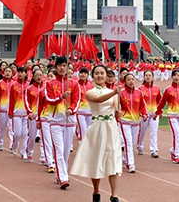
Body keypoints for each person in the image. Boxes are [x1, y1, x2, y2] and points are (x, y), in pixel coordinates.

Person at [70, 65, 122, 202]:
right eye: (97, 73)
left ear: (106, 75)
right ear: (93, 76)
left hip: (111, 127)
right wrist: (114, 92)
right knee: (97, 160)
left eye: (102, 73)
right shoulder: (89, 92)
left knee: (114, 159)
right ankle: (96, 192)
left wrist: (118, 111)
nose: (100, 75)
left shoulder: (113, 92)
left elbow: (116, 106)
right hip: (97, 128)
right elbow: (99, 100)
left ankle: (114, 195)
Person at [44, 56, 80, 189]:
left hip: (69, 121)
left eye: (64, 65)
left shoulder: (74, 83)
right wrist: (61, 97)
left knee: (65, 152)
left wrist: (71, 110)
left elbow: (77, 100)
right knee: (59, 150)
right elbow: (49, 99)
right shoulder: (49, 83)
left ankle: (60, 173)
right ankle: (63, 177)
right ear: (56, 67)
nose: (62, 68)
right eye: (59, 65)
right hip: (55, 121)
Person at [118, 73, 148, 173]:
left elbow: (142, 106)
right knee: (128, 142)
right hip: (125, 121)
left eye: (132, 79)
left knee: (132, 143)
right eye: (128, 79)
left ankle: (125, 159)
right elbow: (117, 107)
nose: (131, 81)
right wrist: (117, 115)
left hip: (136, 121)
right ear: (125, 82)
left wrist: (144, 114)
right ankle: (130, 164)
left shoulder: (139, 93)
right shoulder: (121, 93)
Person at [154, 69, 179, 163]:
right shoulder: (168, 90)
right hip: (172, 116)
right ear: (172, 77)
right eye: (175, 75)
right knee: (177, 134)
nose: (177, 77)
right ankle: (177, 155)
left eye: (178, 75)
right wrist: (157, 112)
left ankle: (173, 150)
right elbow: (162, 103)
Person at [137, 70, 162, 158]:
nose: (148, 77)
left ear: (152, 77)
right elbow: (138, 102)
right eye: (146, 75)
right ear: (144, 77)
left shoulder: (157, 89)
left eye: (149, 75)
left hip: (154, 114)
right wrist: (141, 112)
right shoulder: (140, 89)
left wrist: (160, 112)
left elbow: (160, 101)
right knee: (142, 131)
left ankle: (154, 150)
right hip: (144, 114)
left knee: (154, 132)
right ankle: (140, 146)